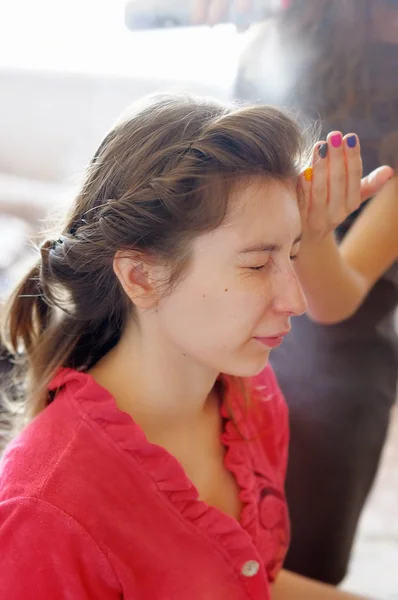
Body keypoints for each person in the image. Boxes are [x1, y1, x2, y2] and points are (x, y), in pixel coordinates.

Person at [0, 93, 388, 599]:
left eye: (293, 253)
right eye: (256, 264)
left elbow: (248, 581)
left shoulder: (252, 397)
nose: (295, 299)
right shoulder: (47, 510)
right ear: (141, 276)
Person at [192, 0, 398, 585]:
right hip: (225, 339)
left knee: (296, 565)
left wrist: (311, 232)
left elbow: (336, 301)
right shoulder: (286, 27)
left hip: (337, 368)